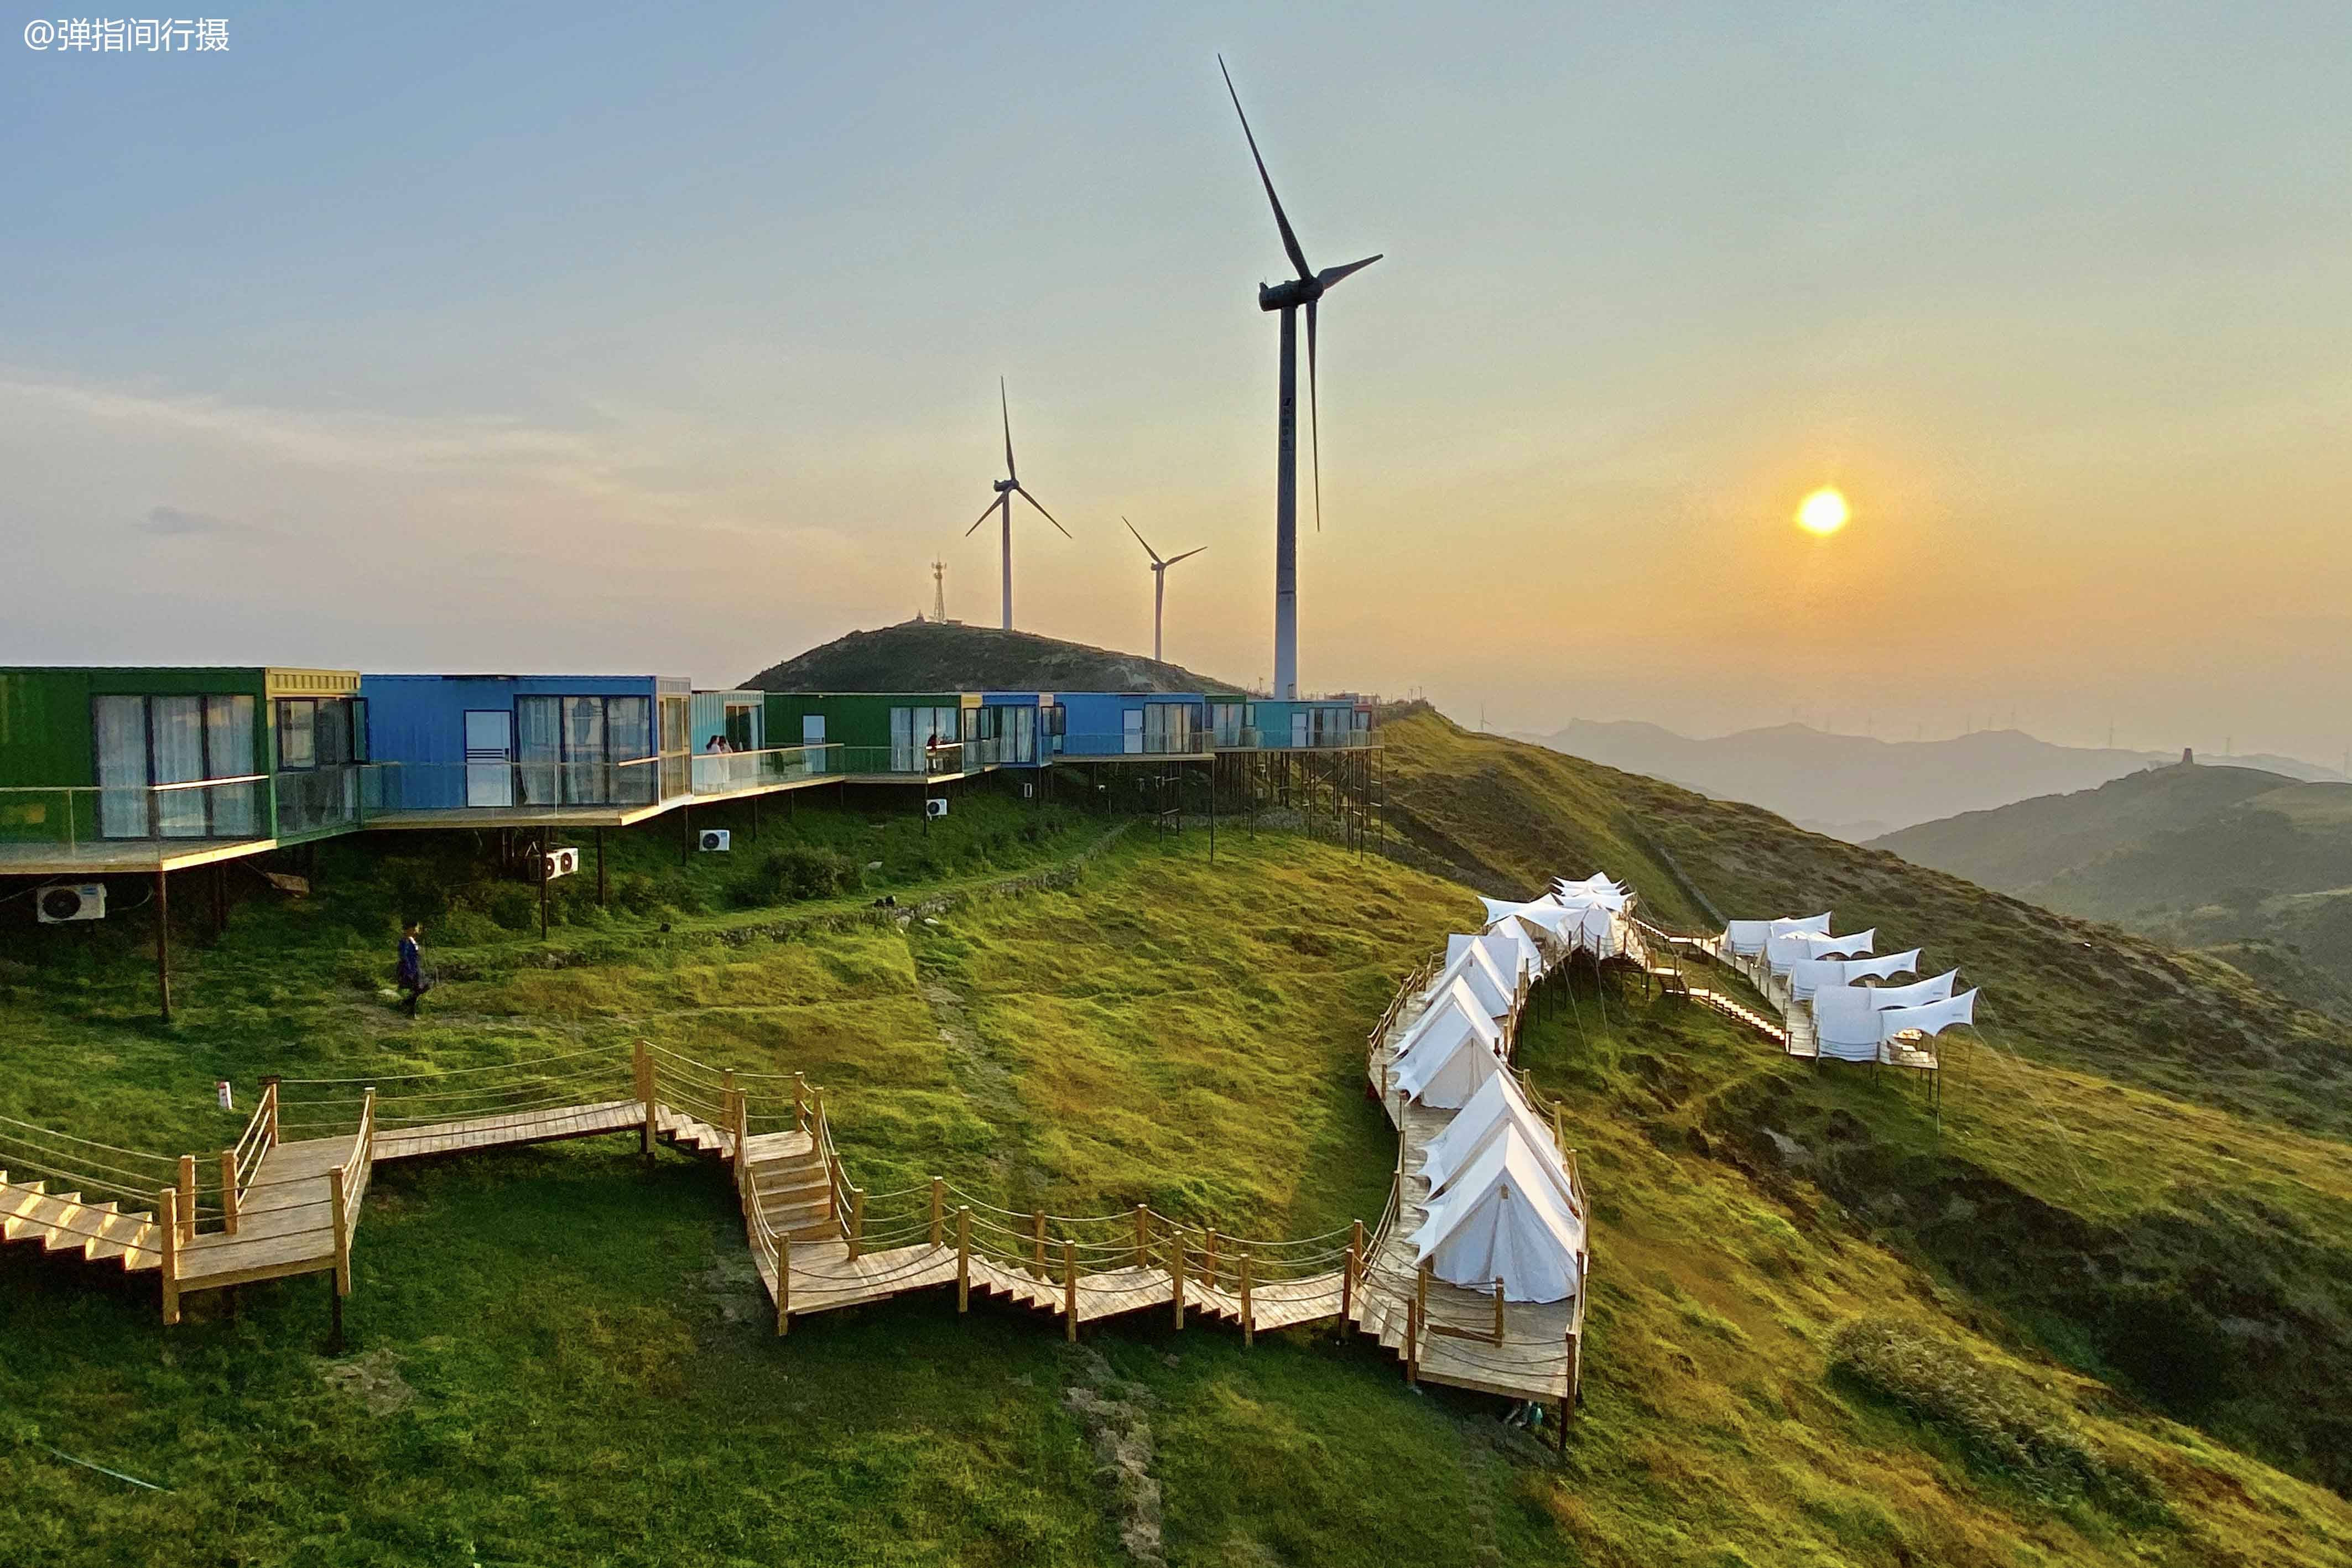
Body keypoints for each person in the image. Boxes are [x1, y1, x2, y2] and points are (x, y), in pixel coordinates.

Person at [396, 921, 429, 1016]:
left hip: (415, 967)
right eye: (416, 928)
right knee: (417, 988)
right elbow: (404, 956)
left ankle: (406, 1003)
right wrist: (409, 970)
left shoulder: (412, 940)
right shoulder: (405, 941)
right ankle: (410, 1011)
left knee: (423, 987)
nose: (417, 931)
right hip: (409, 968)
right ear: (410, 929)